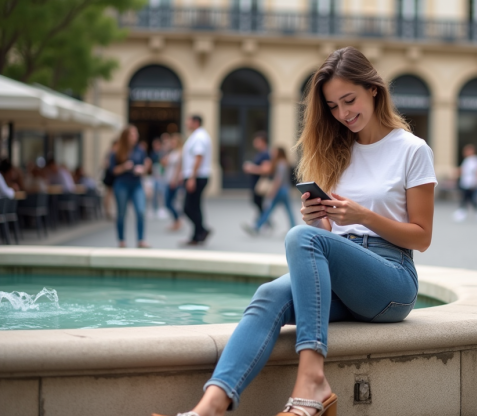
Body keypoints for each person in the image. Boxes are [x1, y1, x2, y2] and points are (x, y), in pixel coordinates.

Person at [155, 47, 437, 416]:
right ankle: (208, 408)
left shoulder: (412, 150)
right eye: (333, 106)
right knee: (269, 294)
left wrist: (363, 216)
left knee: (299, 238)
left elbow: (422, 237)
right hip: (341, 270)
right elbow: (327, 234)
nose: (343, 114)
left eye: (348, 100)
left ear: (373, 89)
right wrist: (318, 218)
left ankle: (312, 380)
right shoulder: (338, 151)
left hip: (391, 279)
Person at [110, 125, 151, 248]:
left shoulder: (140, 150)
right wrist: (124, 167)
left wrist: (143, 169)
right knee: (122, 213)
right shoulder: (117, 151)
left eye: (136, 134)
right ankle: (121, 240)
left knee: (141, 211)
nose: (135, 136)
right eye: (132, 134)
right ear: (126, 136)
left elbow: (146, 167)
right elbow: (112, 170)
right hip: (122, 184)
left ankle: (141, 240)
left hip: (137, 184)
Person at [242, 146, 296, 235]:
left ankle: (256, 226)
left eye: (275, 152)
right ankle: (293, 228)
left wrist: (272, 191)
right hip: (285, 189)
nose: (272, 153)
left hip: (280, 190)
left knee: (269, 209)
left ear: (279, 153)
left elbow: (278, 180)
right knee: (287, 210)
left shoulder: (280, 164)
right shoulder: (284, 163)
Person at [180, 115, 212, 246]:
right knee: (195, 206)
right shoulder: (198, 136)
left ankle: (201, 230)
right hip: (196, 176)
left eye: (189, 120)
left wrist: (192, 177)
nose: (186, 123)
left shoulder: (199, 137)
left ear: (196, 122)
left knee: (188, 207)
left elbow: (199, 157)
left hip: (197, 176)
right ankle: (197, 235)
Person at [243, 131, 272, 227]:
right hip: (256, 182)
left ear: (263, 141)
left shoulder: (265, 154)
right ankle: (264, 221)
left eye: (257, 141)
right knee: (257, 202)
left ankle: (262, 222)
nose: (255, 143)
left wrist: (251, 168)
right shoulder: (260, 153)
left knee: (258, 201)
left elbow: (265, 170)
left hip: (260, 183)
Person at [453, 144, 477, 222]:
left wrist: (476, 181)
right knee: (469, 199)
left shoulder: (476, 160)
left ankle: (462, 213)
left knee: (468, 198)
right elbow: (463, 170)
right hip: (466, 183)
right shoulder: (467, 160)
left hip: (472, 183)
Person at [162, 133, 184, 231]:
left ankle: (177, 219)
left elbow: (179, 168)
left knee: (168, 202)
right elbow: (164, 163)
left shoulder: (180, 153)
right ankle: (176, 221)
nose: (172, 143)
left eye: (173, 142)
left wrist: (174, 180)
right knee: (170, 202)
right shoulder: (172, 153)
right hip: (168, 179)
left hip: (173, 181)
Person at [150, 137, 168, 220]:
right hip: (155, 175)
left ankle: (162, 208)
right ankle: (155, 209)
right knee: (155, 193)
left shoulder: (162, 153)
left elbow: (164, 163)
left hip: (161, 175)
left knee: (162, 192)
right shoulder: (153, 153)